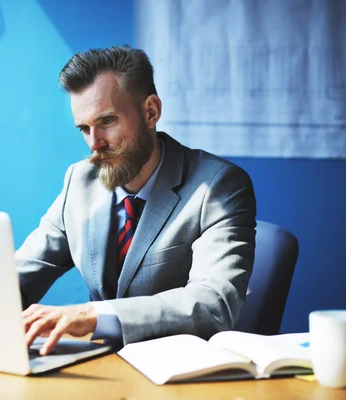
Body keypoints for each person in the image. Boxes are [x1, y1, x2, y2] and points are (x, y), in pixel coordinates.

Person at [16, 45, 256, 355]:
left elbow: (213, 303)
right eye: (84, 129)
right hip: (98, 369)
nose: (94, 144)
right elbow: (20, 275)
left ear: (151, 112)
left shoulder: (218, 186)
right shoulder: (80, 181)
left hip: (176, 373)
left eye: (107, 122)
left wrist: (93, 315)